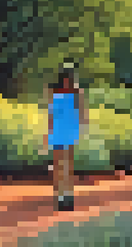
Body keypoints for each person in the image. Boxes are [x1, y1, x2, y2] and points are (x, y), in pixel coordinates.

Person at [40, 63, 88, 211]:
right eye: (66, 75)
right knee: (58, 164)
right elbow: (50, 112)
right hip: (57, 129)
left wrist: (80, 128)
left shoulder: (77, 91)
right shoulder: (53, 90)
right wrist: (48, 132)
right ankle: (59, 195)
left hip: (69, 129)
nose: (68, 78)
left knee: (68, 164)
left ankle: (68, 195)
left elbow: (81, 112)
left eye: (70, 75)